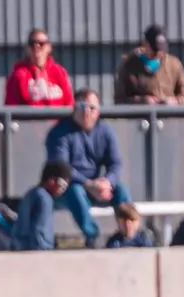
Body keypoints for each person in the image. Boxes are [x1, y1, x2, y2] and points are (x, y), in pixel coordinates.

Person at [44, 89, 131, 246]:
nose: (86, 111)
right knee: (74, 191)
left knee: (121, 191)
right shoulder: (59, 133)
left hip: (97, 187)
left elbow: (115, 163)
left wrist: (107, 182)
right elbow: (61, 169)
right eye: (82, 106)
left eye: (92, 107)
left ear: (98, 112)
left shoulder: (106, 131)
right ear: (74, 108)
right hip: (64, 190)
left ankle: (129, 236)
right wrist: (89, 184)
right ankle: (93, 237)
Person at [114, 24, 184, 106]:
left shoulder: (174, 64)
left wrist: (173, 101)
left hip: (168, 117)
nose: (158, 54)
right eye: (154, 50)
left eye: (161, 50)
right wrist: (141, 101)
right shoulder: (129, 65)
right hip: (141, 117)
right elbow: (119, 100)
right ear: (145, 44)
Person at [10, 161, 72, 251]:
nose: (63, 189)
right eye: (63, 184)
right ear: (51, 181)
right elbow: (40, 230)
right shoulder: (45, 199)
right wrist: (44, 250)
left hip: (19, 247)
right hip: (37, 250)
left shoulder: (31, 193)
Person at [4, 29, 72, 107]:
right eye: (32, 44)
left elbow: (69, 103)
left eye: (41, 43)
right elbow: (11, 107)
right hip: (30, 119)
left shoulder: (60, 72)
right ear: (27, 48)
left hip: (58, 119)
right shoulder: (18, 75)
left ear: (49, 47)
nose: (37, 46)